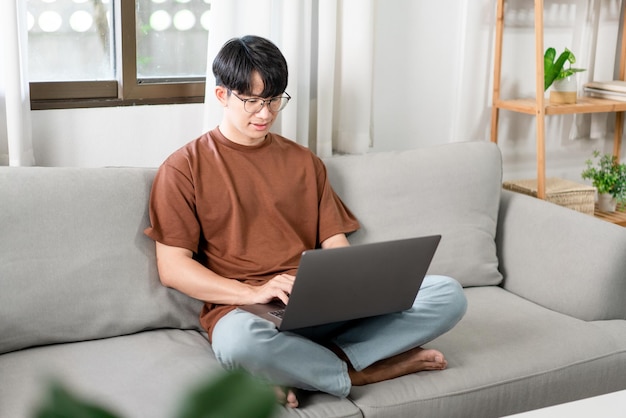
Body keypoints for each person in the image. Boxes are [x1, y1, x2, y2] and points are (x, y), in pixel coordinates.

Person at [144, 35, 467, 408]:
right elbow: (173, 268)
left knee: (447, 294)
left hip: (318, 302)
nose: (265, 114)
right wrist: (252, 293)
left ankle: (302, 369)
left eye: (274, 100)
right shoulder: (183, 168)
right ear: (222, 96)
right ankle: (357, 372)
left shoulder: (304, 161)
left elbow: (334, 243)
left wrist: (352, 288)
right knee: (238, 344)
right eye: (252, 101)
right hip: (248, 312)